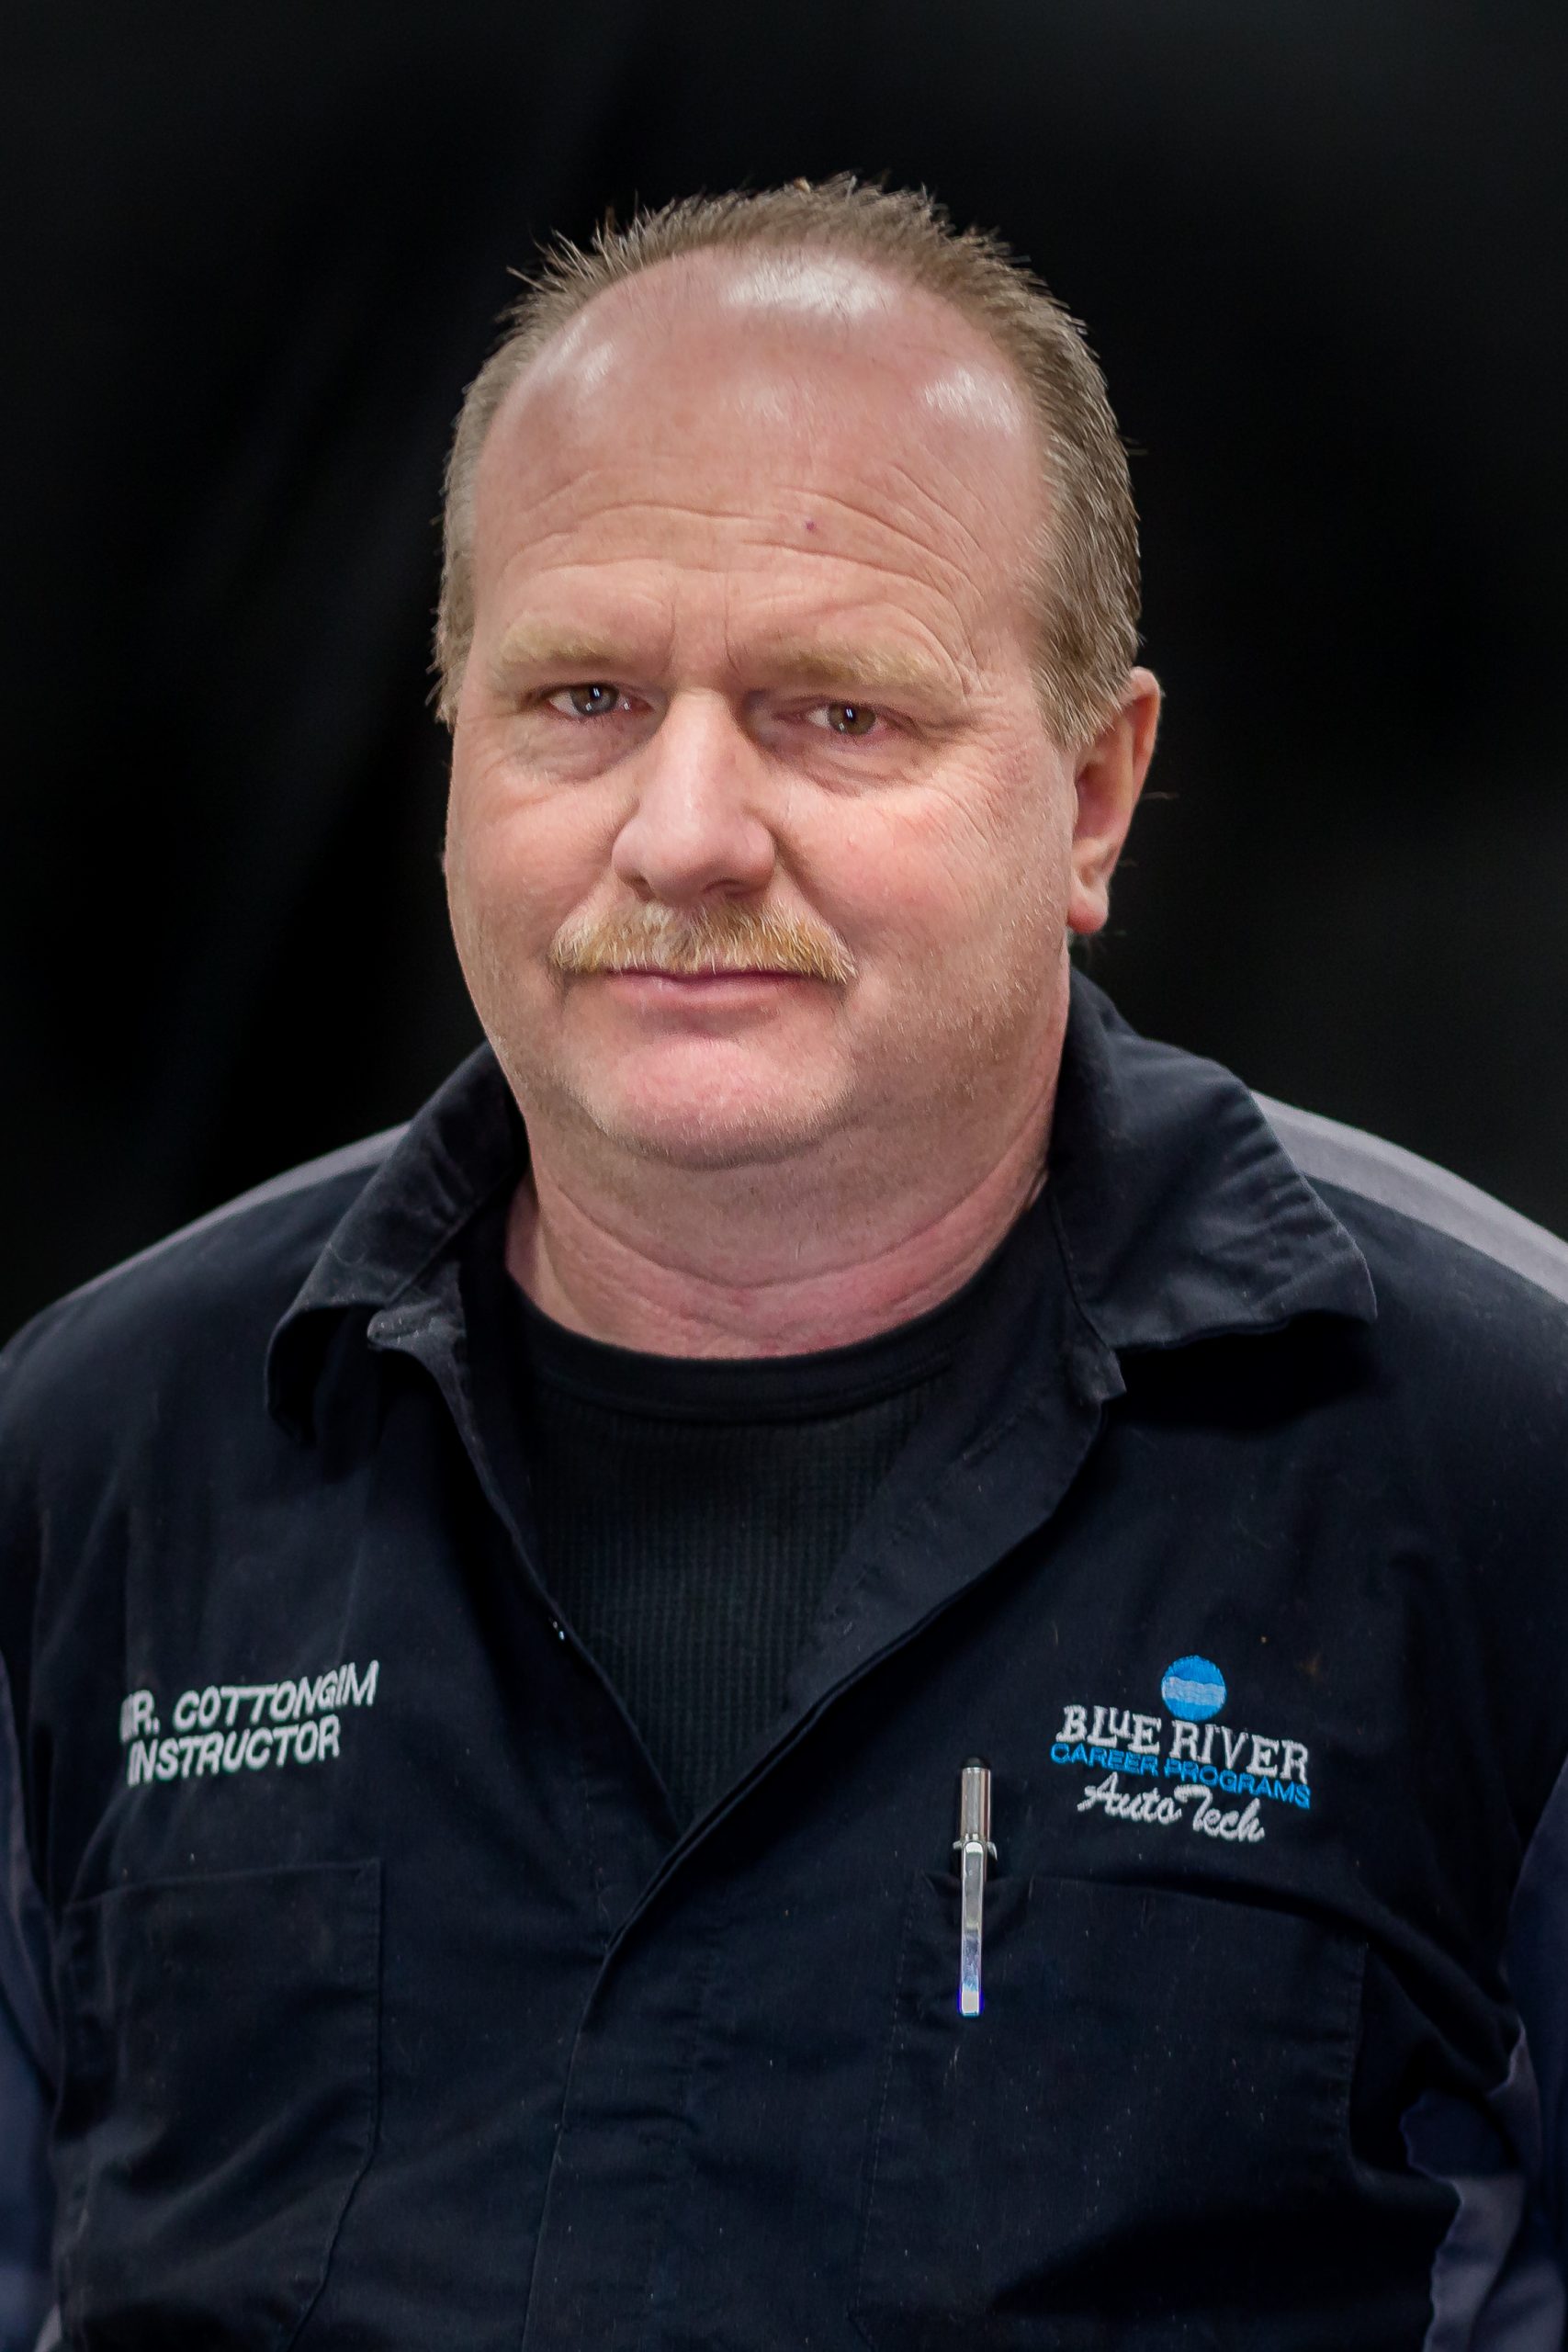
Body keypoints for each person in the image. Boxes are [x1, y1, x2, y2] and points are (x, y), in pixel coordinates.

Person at [3, 179, 1568, 2350]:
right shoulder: (102, 1451)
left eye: (835, 711)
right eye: (580, 696)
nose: (683, 830)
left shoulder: (1497, 1458)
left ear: (1094, 793)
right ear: (451, 749)